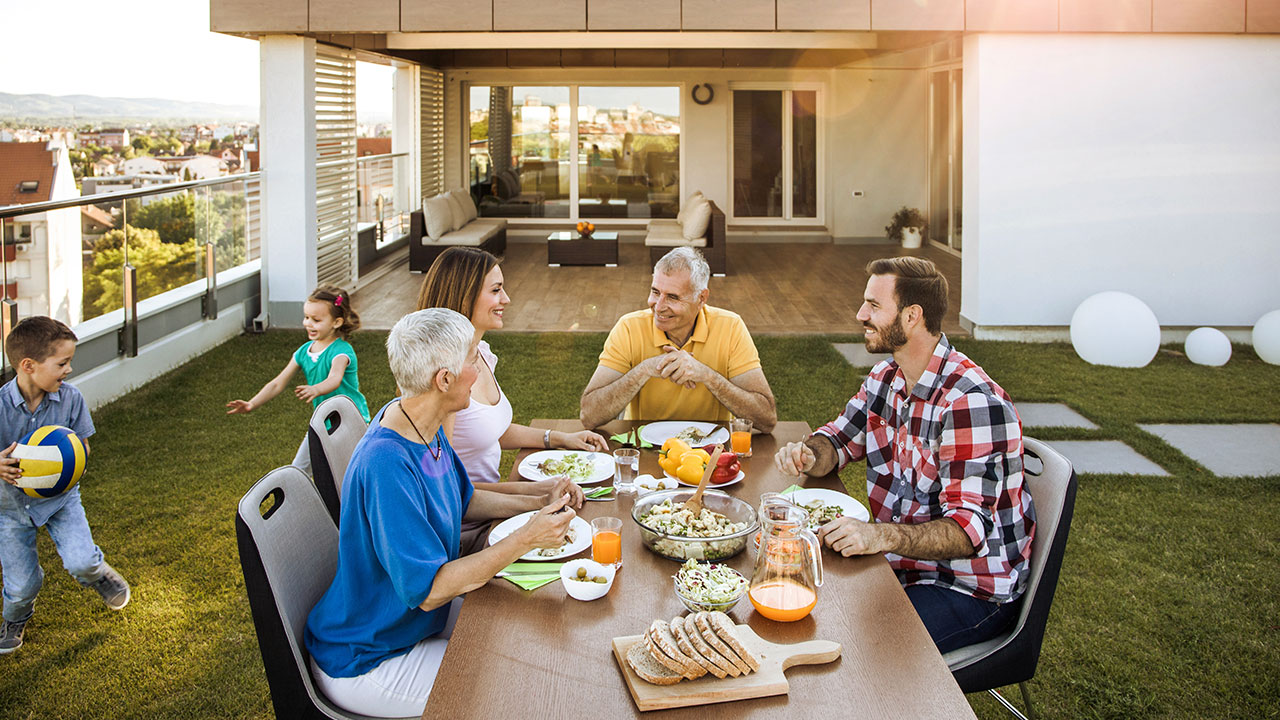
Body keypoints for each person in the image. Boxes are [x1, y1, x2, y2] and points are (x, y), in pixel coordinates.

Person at [304, 308, 580, 717]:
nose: (480, 366)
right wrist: (527, 537)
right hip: (370, 654)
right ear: (445, 379)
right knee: (517, 690)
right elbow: (431, 591)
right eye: (473, 358)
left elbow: (464, 499)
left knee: (526, 628)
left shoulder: (420, 422)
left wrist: (540, 498)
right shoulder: (387, 465)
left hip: (407, 623)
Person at [773, 257, 1036, 654]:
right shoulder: (886, 379)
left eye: (874, 306)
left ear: (912, 316)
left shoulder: (969, 404)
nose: (861, 314)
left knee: (855, 652)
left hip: (969, 588)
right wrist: (809, 454)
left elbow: (967, 532)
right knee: (796, 598)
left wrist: (877, 536)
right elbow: (838, 443)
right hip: (904, 565)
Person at [416, 247, 607, 551]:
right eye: (496, 290)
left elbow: (491, 429)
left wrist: (558, 438)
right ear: (465, 297)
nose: (506, 299)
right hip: (466, 534)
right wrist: (535, 497)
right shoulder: (443, 381)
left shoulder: (481, 355)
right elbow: (447, 490)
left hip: (494, 514)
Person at [0, 317, 131, 654]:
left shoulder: (71, 399)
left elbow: (83, 444)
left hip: (61, 500)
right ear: (28, 365)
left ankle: (98, 573)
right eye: (62, 363)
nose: (69, 370)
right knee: (21, 585)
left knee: (81, 561)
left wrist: (74, 462)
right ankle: (16, 617)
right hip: (11, 508)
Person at [579, 247, 776, 431]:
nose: (658, 306)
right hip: (645, 449)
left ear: (701, 298)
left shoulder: (731, 327)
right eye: (655, 292)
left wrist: (707, 375)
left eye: (672, 297)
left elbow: (766, 419)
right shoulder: (629, 328)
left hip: (710, 452)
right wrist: (644, 370)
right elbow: (589, 416)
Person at [226, 286, 371, 475]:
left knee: (353, 473)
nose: (308, 324)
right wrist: (251, 404)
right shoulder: (304, 352)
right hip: (322, 423)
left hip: (350, 422)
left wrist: (316, 389)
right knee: (297, 471)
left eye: (316, 320)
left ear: (336, 322)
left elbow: (335, 378)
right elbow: (277, 383)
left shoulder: (341, 351)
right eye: (307, 317)